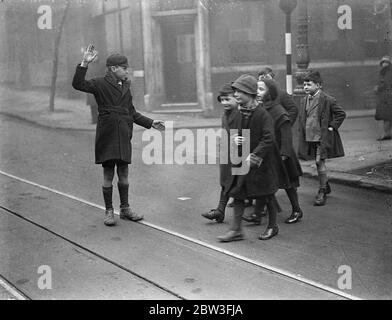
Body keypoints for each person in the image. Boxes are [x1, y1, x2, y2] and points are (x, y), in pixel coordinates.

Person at [72, 45, 165, 226]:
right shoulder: (99, 83)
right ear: (113, 69)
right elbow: (78, 84)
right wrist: (84, 63)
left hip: (123, 135)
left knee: (124, 172)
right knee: (108, 174)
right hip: (107, 135)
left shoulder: (126, 87)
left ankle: (125, 209)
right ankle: (109, 211)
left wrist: (151, 123)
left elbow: (132, 112)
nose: (126, 71)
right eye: (124, 68)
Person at [217, 74, 289, 242]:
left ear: (249, 93)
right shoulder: (240, 112)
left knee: (267, 194)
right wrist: (235, 139)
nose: (235, 95)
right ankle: (236, 230)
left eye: (238, 92)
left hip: (263, 161)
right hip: (244, 159)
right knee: (239, 192)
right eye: (234, 91)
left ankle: (272, 226)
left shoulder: (262, 114)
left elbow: (268, 138)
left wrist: (255, 155)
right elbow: (235, 132)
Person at [256, 78, 303, 224]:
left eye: (261, 89)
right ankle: (259, 212)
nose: (257, 92)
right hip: (269, 153)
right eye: (256, 89)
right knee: (267, 182)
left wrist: (284, 154)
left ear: (270, 92)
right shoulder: (262, 108)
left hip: (282, 155)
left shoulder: (278, 111)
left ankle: (297, 210)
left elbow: (286, 135)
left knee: (289, 185)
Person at [298, 70, 346, 206]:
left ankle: (322, 190)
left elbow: (341, 114)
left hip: (321, 137)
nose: (305, 87)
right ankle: (325, 183)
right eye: (304, 85)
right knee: (317, 162)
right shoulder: (303, 100)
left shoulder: (328, 100)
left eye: (309, 84)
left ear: (318, 85)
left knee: (319, 162)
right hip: (309, 137)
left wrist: (332, 126)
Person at [201, 83, 238, 223]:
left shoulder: (241, 113)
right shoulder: (225, 114)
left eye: (227, 99)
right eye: (222, 100)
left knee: (245, 184)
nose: (224, 103)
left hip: (239, 152)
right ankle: (220, 211)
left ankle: (262, 211)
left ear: (236, 98)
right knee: (226, 182)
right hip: (226, 152)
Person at [374, 55, 392, 141]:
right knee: (387, 117)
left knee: (387, 116)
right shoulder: (383, 72)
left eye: (386, 62)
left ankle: (387, 134)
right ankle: (387, 133)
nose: (384, 64)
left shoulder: (387, 72)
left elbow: (386, 84)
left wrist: (378, 88)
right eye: (383, 62)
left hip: (387, 98)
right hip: (385, 97)